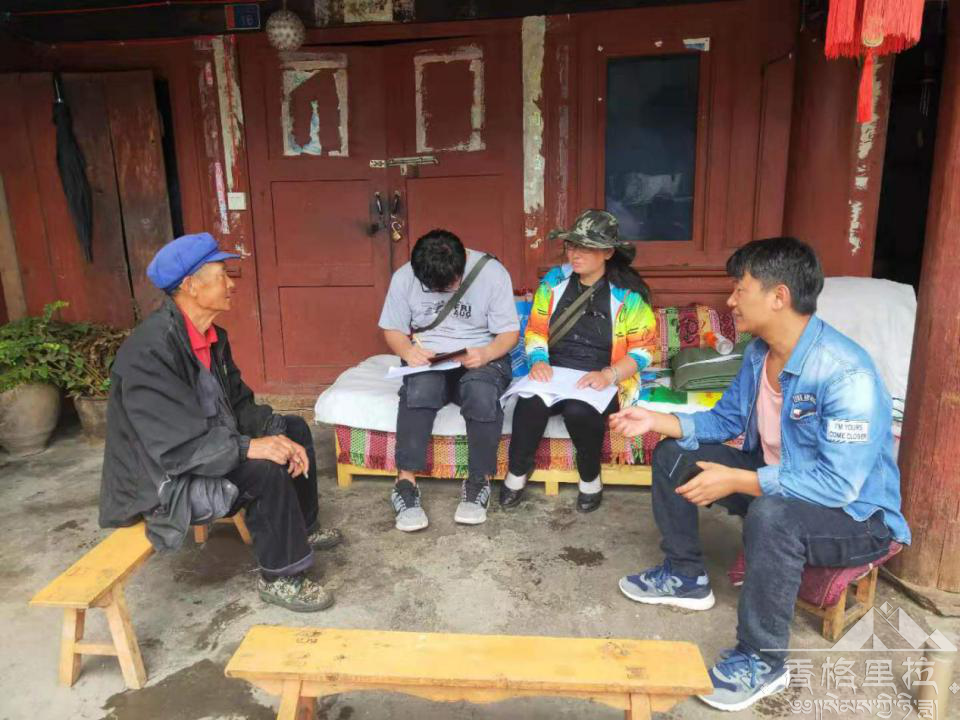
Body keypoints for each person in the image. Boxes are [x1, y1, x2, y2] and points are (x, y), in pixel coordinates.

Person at [609, 237, 911, 711]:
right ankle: (685, 575)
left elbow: (837, 485)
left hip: (856, 517)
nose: (731, 301)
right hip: (779, 484)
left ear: (778, 297)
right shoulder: (758, 353)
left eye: (740, 289)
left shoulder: (844, 373)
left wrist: (739, 482)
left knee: (772, 514)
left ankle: (762, 660)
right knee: (673, 454)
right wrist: (656, 419)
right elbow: (725, 420)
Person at [99, 233, 342, 613]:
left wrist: (271, 431)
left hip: (208, 446)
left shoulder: (211, 337)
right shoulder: (149, 353)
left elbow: (239, 404)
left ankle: (304, 528)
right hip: (165, 478)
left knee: (292, 429)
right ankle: (281, 577)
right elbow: (176, 449)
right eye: (222, 275)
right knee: (264, 470)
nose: (231, 284)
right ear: (191, 286)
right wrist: (251, 447)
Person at [503, 209, 656, 512]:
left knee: (579, 410)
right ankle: (518, 471)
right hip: (555, 371)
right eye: (572, 246)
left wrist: (609, 375)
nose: (575, 254)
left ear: (608, 252)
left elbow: (643, 351)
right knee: (530, 402)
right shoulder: (555, 280)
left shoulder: (628, 295)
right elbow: (536, 328)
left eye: (586, 247)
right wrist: (538, 360)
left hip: (602, 376)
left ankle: (590, 477)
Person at [378, 229, 520, 531]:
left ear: (463, 263)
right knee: (420, 388)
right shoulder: (405, 277)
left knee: (480, 391)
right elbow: (393, 329)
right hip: (430, 357)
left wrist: (487, 353)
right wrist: (408, 351)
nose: (441, 291)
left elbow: (509, 333)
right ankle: (405, 484)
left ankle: (478, 481)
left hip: (480, 355)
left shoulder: (492, 273)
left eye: (449, 285)